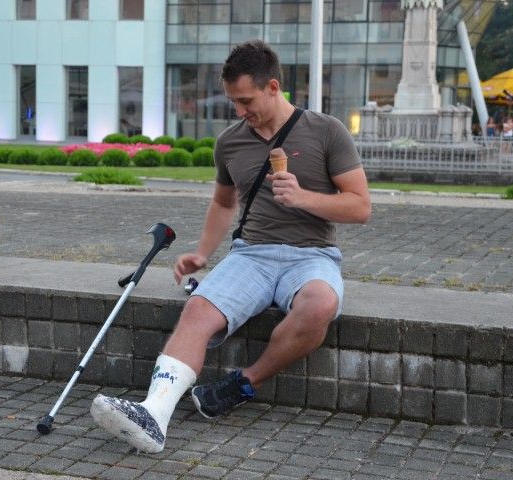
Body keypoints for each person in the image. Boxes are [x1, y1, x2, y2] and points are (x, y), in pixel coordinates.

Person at [89, 40, 371, 454]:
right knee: (198, 309)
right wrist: (203, 253)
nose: (239, 111)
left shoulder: (327, 130)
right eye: (233, 102)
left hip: (312, 255)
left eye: (246, 101)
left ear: (272, 87)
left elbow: (360, 206)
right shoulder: (230, 142)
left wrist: (303, 198)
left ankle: (244, 382)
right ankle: (154, 414)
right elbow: (224, 203)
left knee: (320, 306)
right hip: (252, 254)